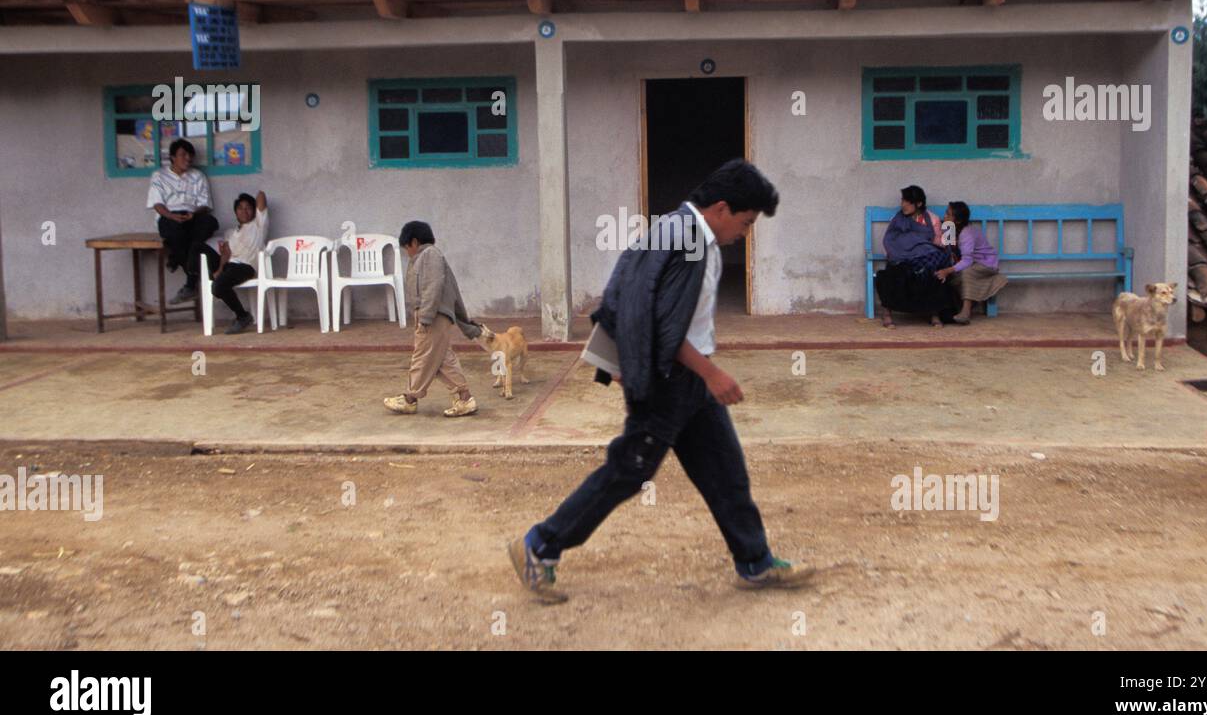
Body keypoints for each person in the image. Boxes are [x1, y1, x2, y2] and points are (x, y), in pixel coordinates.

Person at [508, 159, 814, 604]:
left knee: (725, 469)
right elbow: (661, 327)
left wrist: (621, 358)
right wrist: (709, 373)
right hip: (670, 384)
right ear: (722, 208)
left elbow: (620, 291)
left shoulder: (673, 230)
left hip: (688, 382)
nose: (745, 234)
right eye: (746, 223)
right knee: (628, 471)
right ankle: (539, 545)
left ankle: (755, 561)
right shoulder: (688, 240)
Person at [383, 220, 483, 418]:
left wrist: (426, 317)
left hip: (433, 316)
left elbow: (433, 286)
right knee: (441, 358)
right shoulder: (429, 256)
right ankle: (464, 398)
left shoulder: (429, 255)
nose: (407, 253)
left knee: (422, 356)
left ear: (414, 242)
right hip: (433, 315)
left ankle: (410, 398)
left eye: (407, 248)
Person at [147, 138, 218, 303]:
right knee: (176, 232)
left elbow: (205, 204)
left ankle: (176, 258)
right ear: (172, 157)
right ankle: (191, 281)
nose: (187, 159)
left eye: (190, 156)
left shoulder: (198, 176)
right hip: (169, 217)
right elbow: (157, 204)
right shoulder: (159, 176)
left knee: (210, 223)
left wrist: (194, 214)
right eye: (183, 155)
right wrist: (171, 216)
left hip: (192, 217)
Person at [875, 185, 955, 328]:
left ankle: (934, 313)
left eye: (908, 202)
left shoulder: (932, 219)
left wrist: (923, 246)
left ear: (919, 204)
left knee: (934, 272)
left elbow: (940, 243)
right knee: (891, 274)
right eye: (903, 200)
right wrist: (903, 252)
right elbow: (890, 240)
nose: (903, 205)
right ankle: (886, 313)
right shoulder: (897, 219)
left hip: (924, 260)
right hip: (901, 259)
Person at [198, 191, 268, 334]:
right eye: (240, 208)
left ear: (254, 210)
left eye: (248, 207)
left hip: (246, 266)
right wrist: (219, 268)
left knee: (217, 287)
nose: (244, 211)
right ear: (235, 212)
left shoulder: (259, 224)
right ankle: (193, 278)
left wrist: (253, 203)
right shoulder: (230, 232)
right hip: (229, 265)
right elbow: (226, 253)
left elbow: (261, 196)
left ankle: (243, 316)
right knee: (197, 247)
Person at [935, 201, 1007, 325]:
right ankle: (952, 308)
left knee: (966, 272)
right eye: (946, 213)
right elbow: (946, 250)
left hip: (985, 263)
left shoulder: (966, 234)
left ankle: (966, 312)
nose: (945, 216)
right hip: (969, 262)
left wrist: (948, 270)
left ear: (957, 221)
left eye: (948, 214)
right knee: (954, 277)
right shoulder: (949, 228)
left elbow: (967, 261)